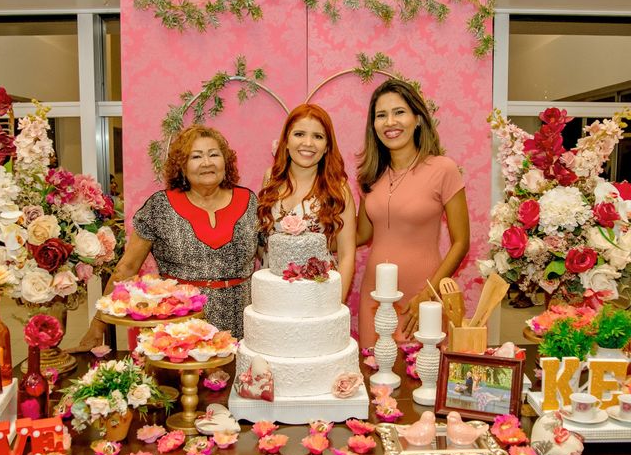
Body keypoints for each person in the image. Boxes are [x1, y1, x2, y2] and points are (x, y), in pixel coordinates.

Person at [68, 125, 258, 351]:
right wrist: (97, 325)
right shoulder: (160, 207)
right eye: (196, 156)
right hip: (180, 326)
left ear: (225, 162)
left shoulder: (250, 202)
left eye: (214, 154)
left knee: (243, 384)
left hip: (243, 325)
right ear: (182, 167)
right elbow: (126, 268)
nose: (207, 162)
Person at [356, 79, 470, 348]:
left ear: (417, 119)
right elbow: (361, 234)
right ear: (373, 126)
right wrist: (307, 236)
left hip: (423, 299)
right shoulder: (369, 176)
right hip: (374, 300)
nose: (390, 122)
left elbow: (462, 242)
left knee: (422, 381)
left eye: (399, 112)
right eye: (381, 115)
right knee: (375, 379)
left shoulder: (443, 169)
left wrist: (428, 295)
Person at [258, 103, 355, 301]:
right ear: (285, 140)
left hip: (317, 295)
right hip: (273, 294)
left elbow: (346, 254)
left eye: (318, 137)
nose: (308, 143)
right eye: (299, 134)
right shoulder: (271, 179)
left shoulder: (337, 188)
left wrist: (336, 304)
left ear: (327, 146)